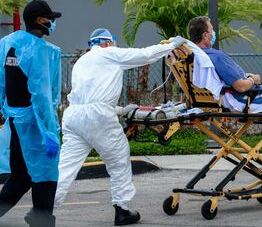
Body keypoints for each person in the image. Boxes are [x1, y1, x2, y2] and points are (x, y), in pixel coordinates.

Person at [54, 28, 186, 226]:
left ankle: (44, 207)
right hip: (97, 117)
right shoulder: (109, 53)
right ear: (107, 42)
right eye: (112, 43)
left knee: (65, 166)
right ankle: (122, 210)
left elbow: (89, 98)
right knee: (118, 160)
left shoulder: (82, 61)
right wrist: (172, 45)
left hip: (73, 116)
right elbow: (144, 55)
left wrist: (119, 110)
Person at [0, 0, 62, 227]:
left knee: (22, 175)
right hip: (35, 124)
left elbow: (0, 82)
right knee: (46, 174)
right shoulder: (39, 50)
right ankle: (41, 219)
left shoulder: (7, 43)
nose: (52, 22)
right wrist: (50, 133)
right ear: (39, 21)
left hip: (15, 120)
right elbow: (41, 96)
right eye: (50, 18)